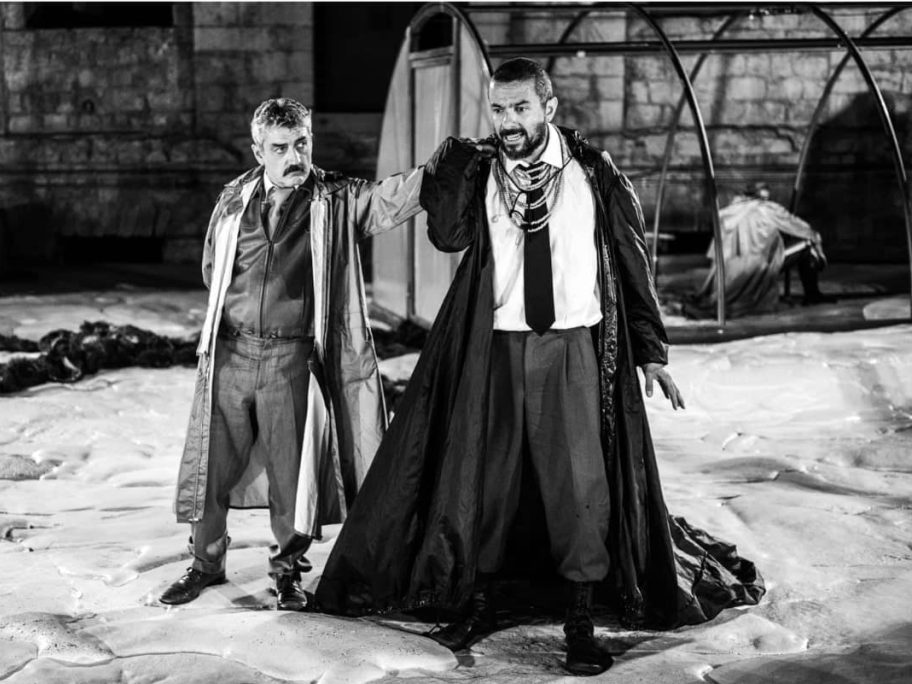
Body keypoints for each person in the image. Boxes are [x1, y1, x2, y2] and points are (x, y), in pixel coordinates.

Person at [315, 59, 763, 675]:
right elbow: (448, 238)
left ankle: (580, 618)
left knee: (580, 483)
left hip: (571, 347)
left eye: (521, 108)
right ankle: (478, 599)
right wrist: (450, 168)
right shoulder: (481, 170)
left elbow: (632, 261)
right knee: (485, 477)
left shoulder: (593, 173)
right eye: (499, 109)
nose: (508, 121)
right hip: (494, 347)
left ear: (549, 109)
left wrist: (651, 351)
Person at [162, 97, 422, 610]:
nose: (294, 156)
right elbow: (214, 268)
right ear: (258, 150)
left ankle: (287, 572)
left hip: (291, 360)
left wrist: (443, 169)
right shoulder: (233, 200)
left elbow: (391, 199)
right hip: (232, 355)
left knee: (292, 475)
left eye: (301, 143)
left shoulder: (335, 199)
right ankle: (205, 564)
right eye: (280, 148)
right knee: (210, 468)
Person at [684, 183, 831, 319]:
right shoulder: (767, 209)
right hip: (759, 267)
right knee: (808, 244)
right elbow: (801, 228)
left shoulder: (729, 212)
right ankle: (813, 296)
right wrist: (816, 239)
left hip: (729, 273)